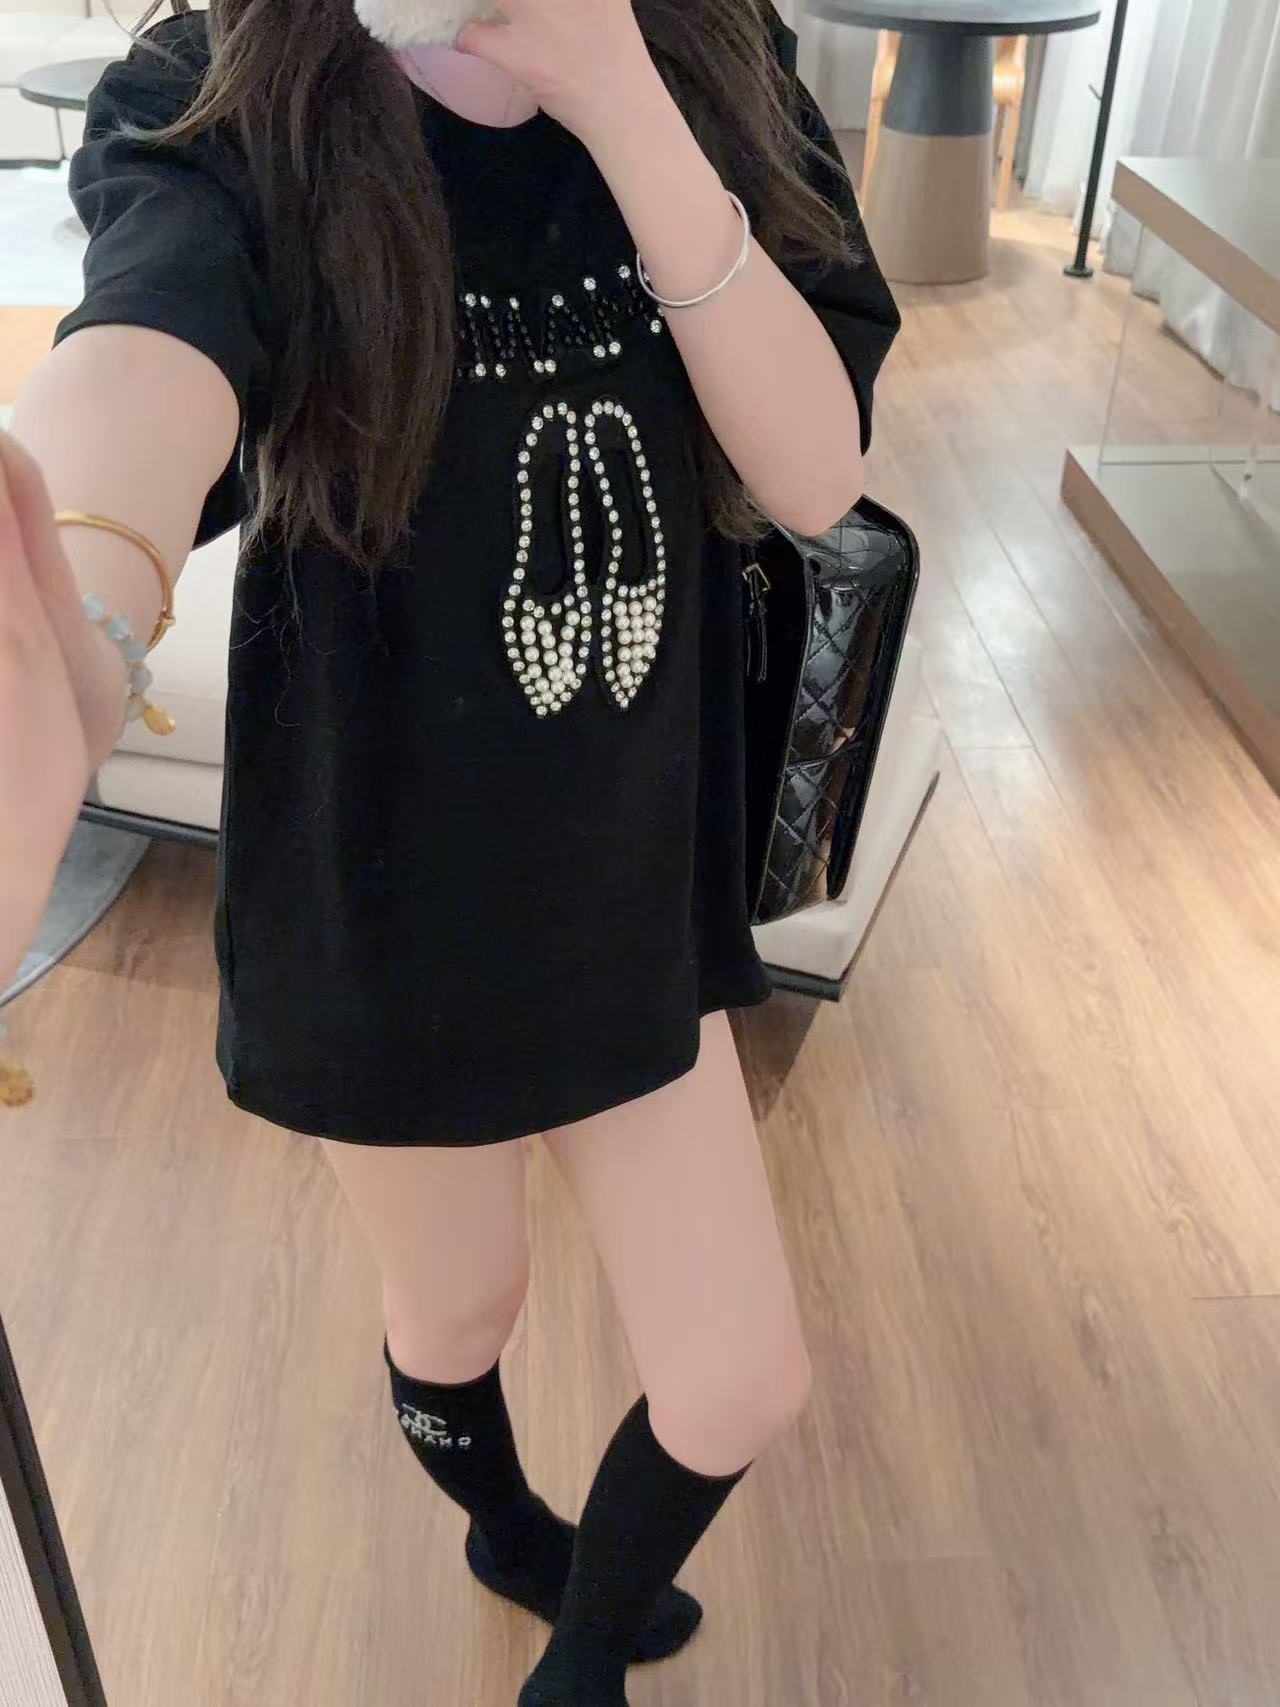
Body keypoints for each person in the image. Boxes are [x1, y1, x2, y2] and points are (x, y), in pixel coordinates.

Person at [0, 0, 899, 1697]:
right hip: (381, 896)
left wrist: (620, 96)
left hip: (625, 884)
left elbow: (811, 470)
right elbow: (144, 355)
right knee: (461, 1312)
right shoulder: (229, 85)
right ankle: (500, 1523)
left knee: (738, 1382)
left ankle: (578, 1666)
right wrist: (70, 626)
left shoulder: (718, 48)